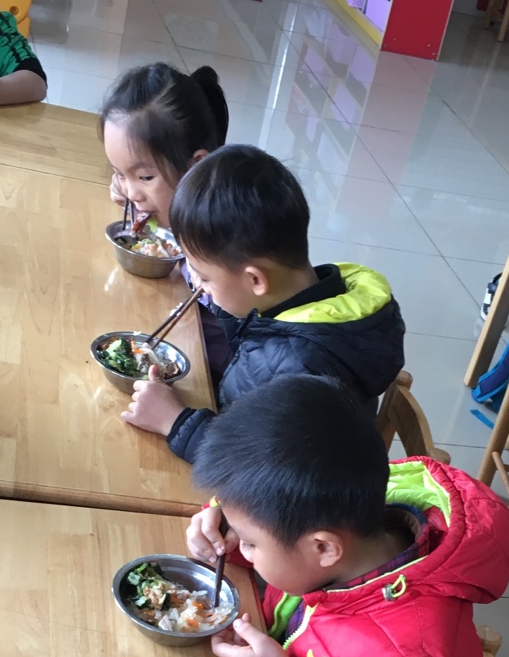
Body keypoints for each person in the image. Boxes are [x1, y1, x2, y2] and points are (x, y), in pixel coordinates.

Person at [185, 376, 509, 657]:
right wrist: (223, 528)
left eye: (250, 543)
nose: (244, 550)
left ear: (324, 548)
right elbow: (282, 539)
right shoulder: (347, 523)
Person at [122, 145, 406, 462]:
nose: (200, 289)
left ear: (255, 280)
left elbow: (256, 466)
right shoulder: (320, 298)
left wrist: (174, 421)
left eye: (204, 278)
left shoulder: (296, 371)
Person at [99, 60, 229, 233]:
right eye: (120, 173)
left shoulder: (222, 237)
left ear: (197, 166)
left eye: (145, 177)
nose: (131, 194)